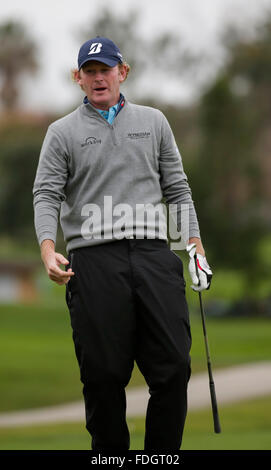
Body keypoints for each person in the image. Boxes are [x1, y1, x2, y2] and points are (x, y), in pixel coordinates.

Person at [33, 36, 212, 452]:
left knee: (173, 367)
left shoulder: (155, 122)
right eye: (90, 71)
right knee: (102, 375)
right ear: (78, 78)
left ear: (122, 72)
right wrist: (47, 248)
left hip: (153, 254)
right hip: (93, 260)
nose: (99, 78)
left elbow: (178, 190)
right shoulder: (61, 133)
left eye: (105, 69)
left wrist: (195, 246)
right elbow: (46, 194)